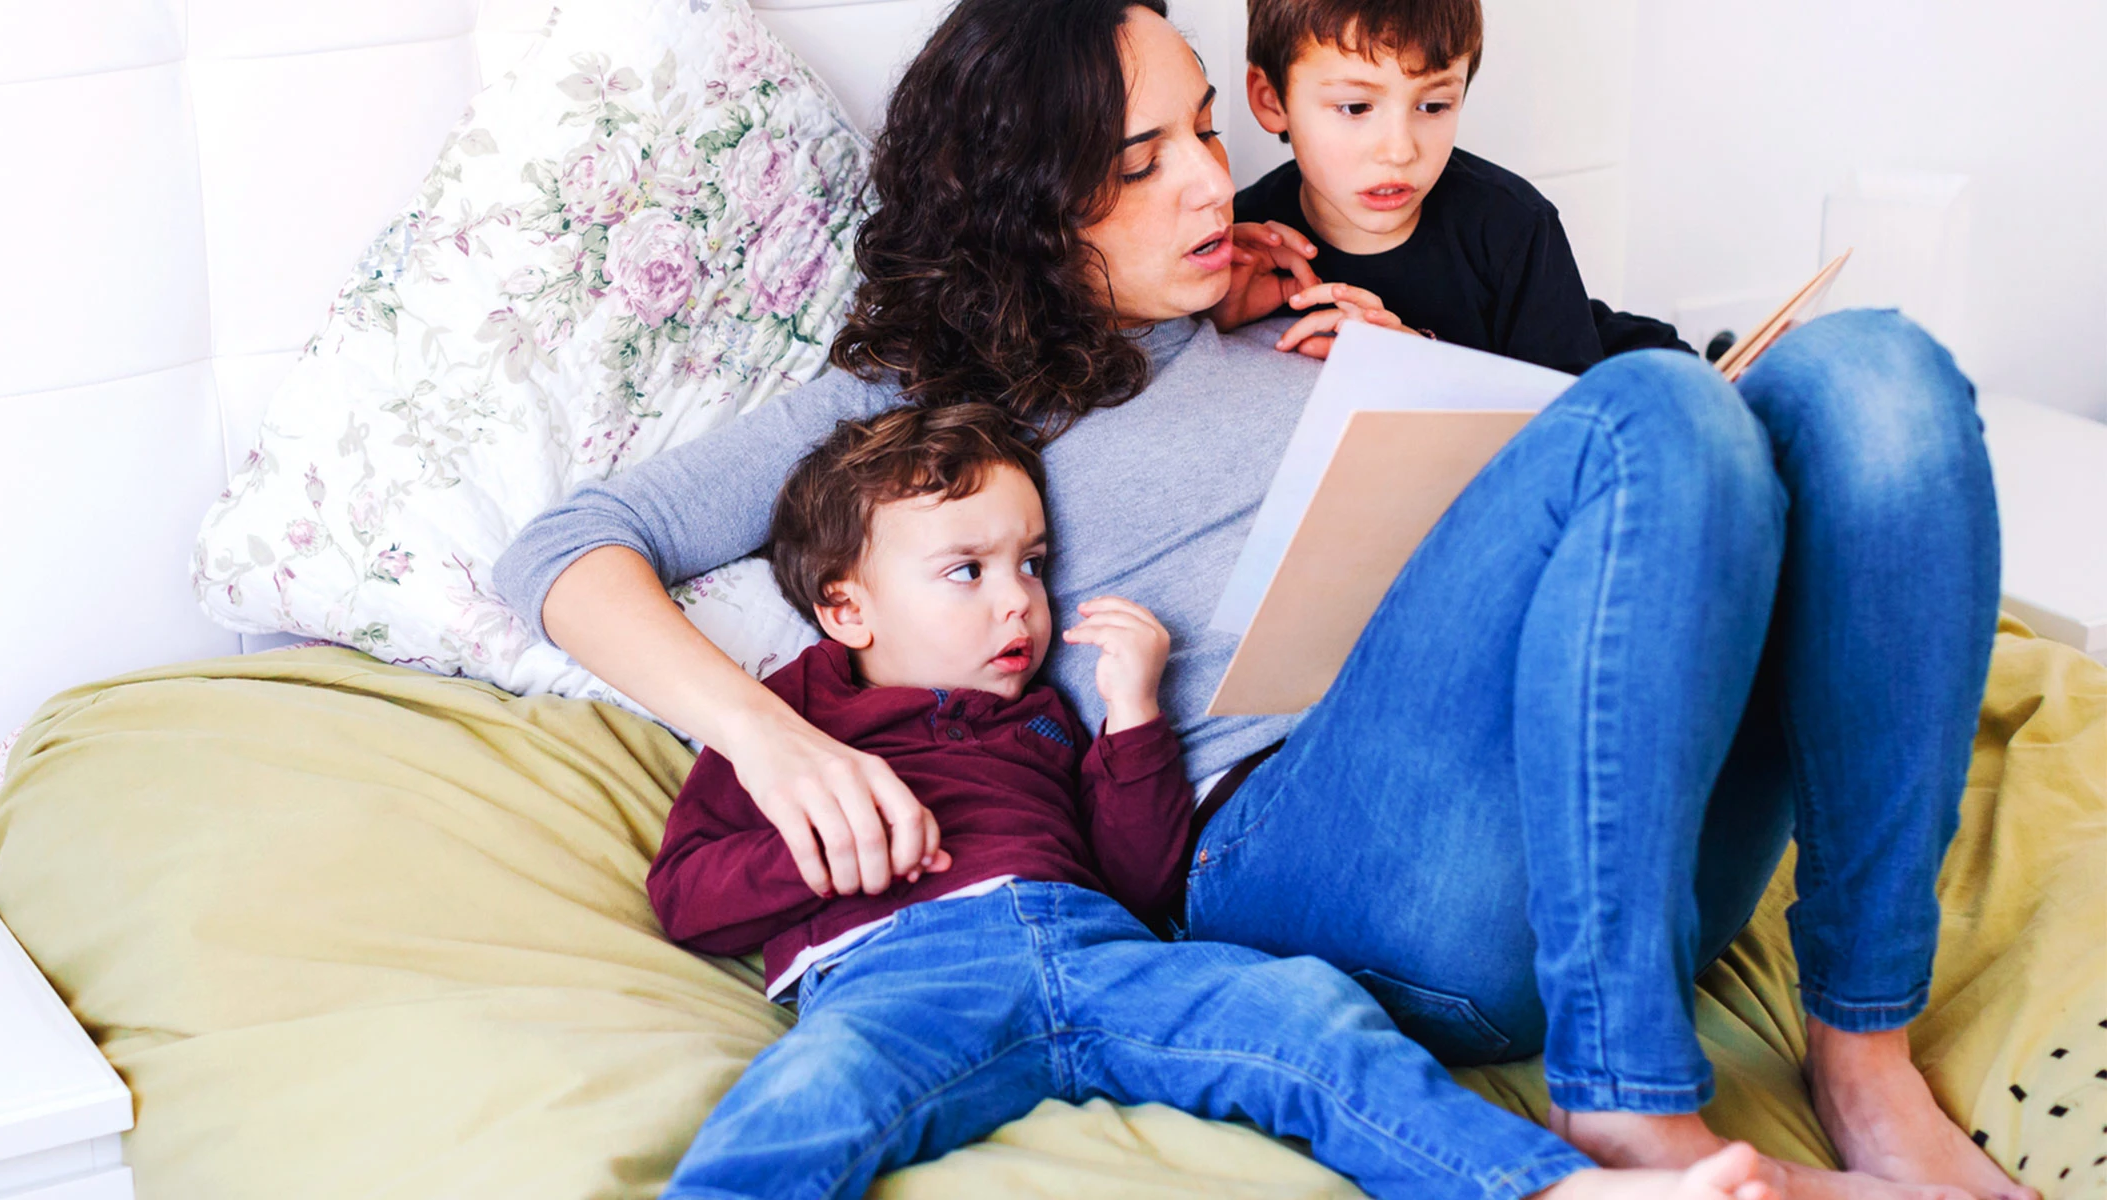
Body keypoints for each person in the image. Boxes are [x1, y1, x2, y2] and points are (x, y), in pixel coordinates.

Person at [493, 1, 2029, 1197]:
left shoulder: (1305, 304)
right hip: (1323, 856)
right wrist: (775, 744)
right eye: (1139, 161)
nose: (1209, 183)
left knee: (1875, 374)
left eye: (1207, 132)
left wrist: (1422, 374)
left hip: (1619, 835)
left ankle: (1864, 1054)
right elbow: (569, 544)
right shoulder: (924, 397)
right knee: (1655, 408)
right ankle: (1625, 1099)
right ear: (1026, 202)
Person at [651, 403, 1769, 1200]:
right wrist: (820, 849)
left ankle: (1540, 1185)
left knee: (1311, 1014)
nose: (1019, 603)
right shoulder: (791, 719)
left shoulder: (1047, 716)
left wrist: (1133, 718)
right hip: (904, 973)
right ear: (846, 609)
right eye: (966, 571)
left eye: (1033, 563)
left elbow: (1140, 878)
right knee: (811, 1096)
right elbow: (687, 897)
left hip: (1101, 949)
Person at [1223, 0, 1689, 371]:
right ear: (1272, 100)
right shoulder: (1245, 238)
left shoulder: (1513, 225)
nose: (1400, 151)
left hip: (1632, 368)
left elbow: (1562, 422)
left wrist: (1426, 363)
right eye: (1355, 107)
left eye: (1433, 106)